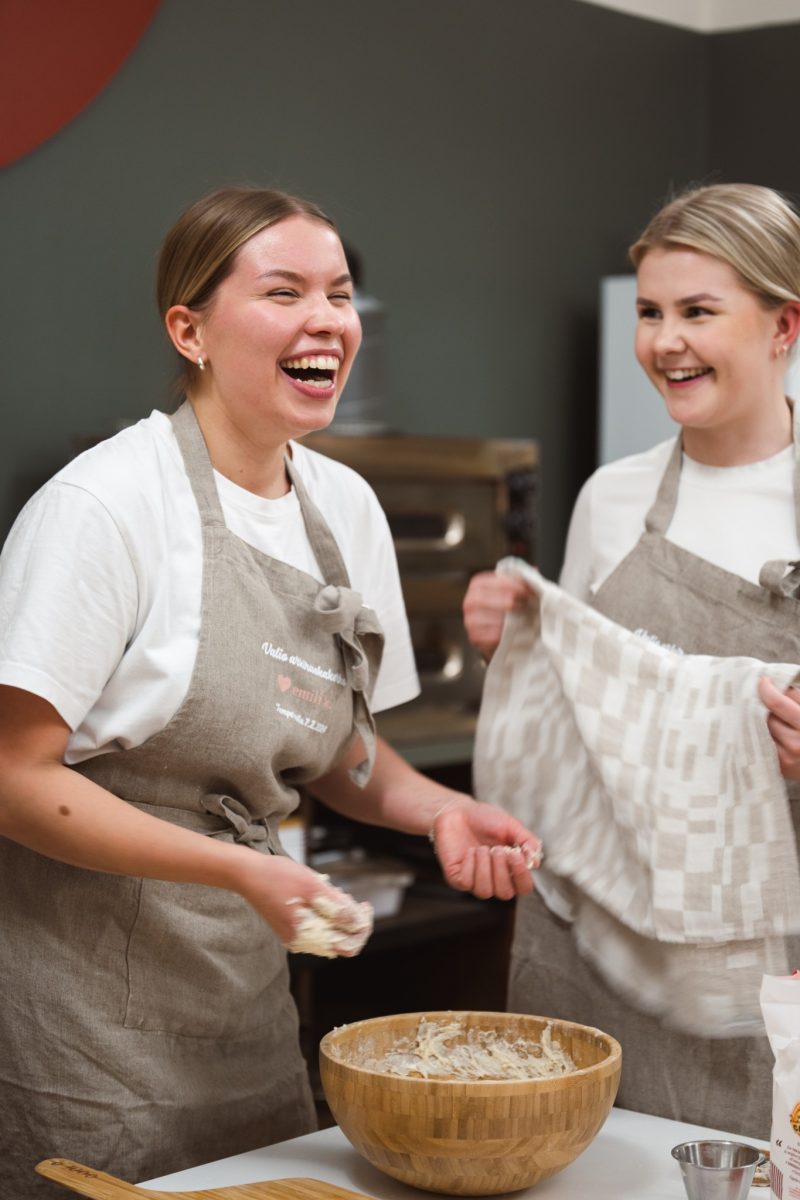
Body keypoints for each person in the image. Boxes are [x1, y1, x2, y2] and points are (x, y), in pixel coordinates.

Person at [0, 185, 541, 1196]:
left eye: (338, 293)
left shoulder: (345, 506)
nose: (326, 319)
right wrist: (240, 870)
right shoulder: (102, 506)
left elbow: (334, 747)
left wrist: (438, 810)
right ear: (190, 331)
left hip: (244, 996)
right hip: (84, 1009)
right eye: (284, 292)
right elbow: (13, 778)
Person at [464, 182, 800, 1137]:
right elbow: (571, 719)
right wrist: (512, 649)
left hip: (754, 969)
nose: (665, 341)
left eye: (699, 311)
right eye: (651, 312)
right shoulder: (612, 498)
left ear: (785, 326)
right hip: (591, 944)